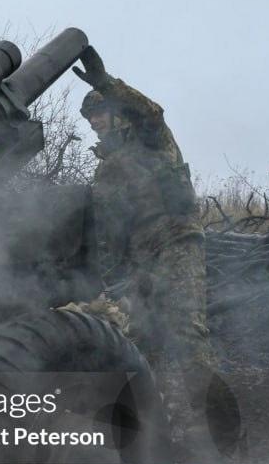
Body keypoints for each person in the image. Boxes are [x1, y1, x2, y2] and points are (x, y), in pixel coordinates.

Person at [73, 48, 215, 375]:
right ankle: (154, 417)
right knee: (141, 340)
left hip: (174, 241)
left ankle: (213, 417)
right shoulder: (106, 168)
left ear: (116, 112)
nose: (94, 122)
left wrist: (106, 83)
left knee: (185, 331)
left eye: (99, 113)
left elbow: (150, 112)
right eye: (89, 117)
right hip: (139, 258)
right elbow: (107, 226)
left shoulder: (149, 138)